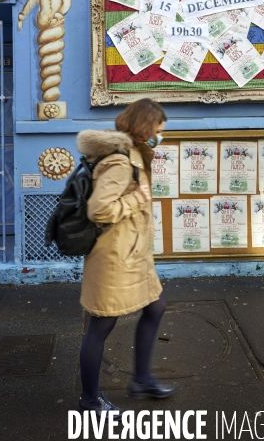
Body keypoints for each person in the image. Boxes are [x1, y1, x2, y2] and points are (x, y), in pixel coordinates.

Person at [76, 98, 174, 418]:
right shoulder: (120, 162)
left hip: (133, 255)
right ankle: (90, 401)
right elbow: (99, 210)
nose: (161, 137)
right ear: (145, 129)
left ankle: (142, 380)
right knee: (101, 324)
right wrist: (137, 198)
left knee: (156, 305)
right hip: (115, 256)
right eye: (158, 131)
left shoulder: (134, 154)